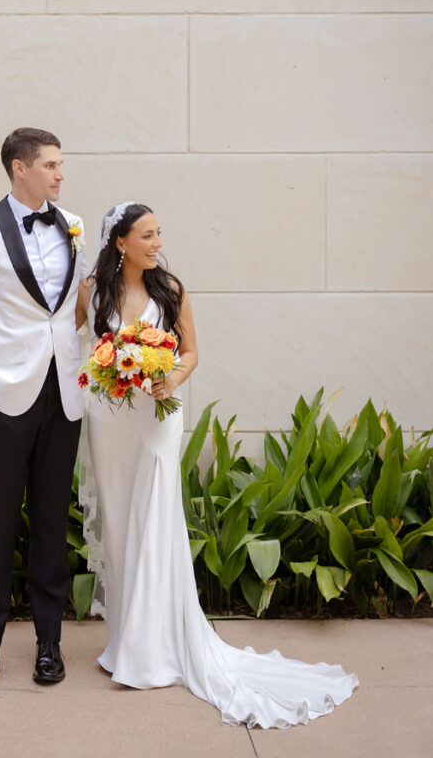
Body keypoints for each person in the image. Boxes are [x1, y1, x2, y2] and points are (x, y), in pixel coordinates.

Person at [76, 201, 358, 728]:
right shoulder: (94, 290)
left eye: (159, 233)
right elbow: (78, 344)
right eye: (147, 235)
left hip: (157, 417)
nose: (157, 242)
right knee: (117, 523)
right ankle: (125, 641)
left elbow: (190, 354)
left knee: (155, 519)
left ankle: (153, 651)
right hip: (111, 419)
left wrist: (169, 379)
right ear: (120, 242)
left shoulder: (172, 290)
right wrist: (107, 370)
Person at [0, 128, 86, 692]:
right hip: (6, 396)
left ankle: (49, 644)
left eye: (60, 164)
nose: (59, 174)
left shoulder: (73, 225)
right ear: (18, 167)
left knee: (53, 522)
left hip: (64, 393)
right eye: (50, 165)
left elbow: (73, 309)